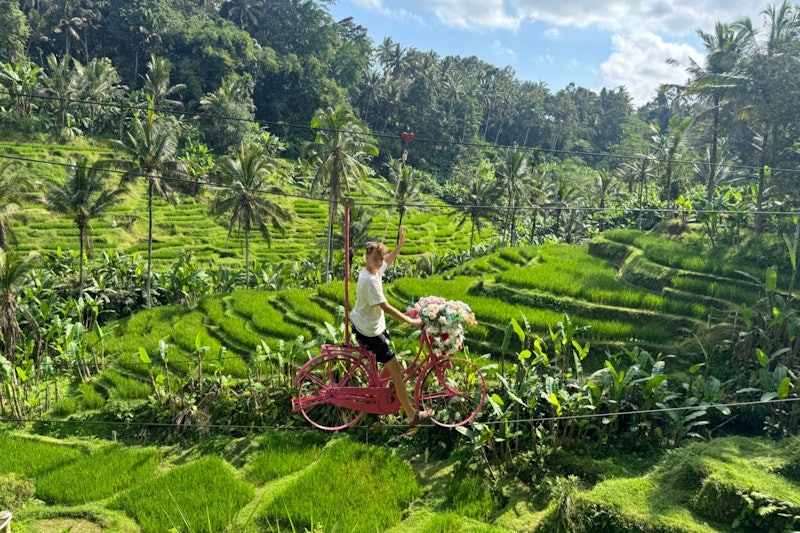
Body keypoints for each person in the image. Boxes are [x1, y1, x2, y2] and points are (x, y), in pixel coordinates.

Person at [350, 226, 434, 426]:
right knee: (396, 372)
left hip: (372, 324)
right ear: (366, 257)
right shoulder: (369, 281)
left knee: (390, 366)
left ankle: (376, 398)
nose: (379, 262)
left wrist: (400, 245)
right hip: (371, 331)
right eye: (375, 259)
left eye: (380, 259)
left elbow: (387, 262)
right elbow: (386, 307)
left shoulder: (372, 271)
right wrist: (410, 320)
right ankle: (412, 415)